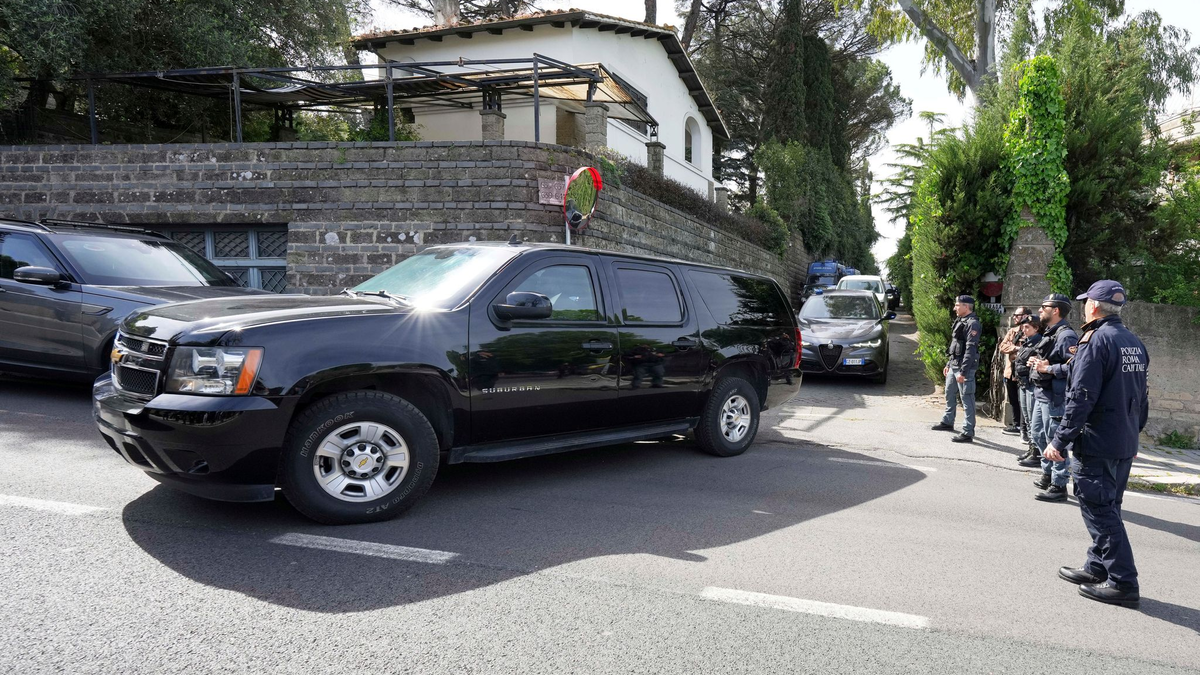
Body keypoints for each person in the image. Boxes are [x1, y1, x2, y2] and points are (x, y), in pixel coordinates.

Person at [1045, 281, 1148, 608]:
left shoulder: (1095, 341)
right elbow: (1143, 398)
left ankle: (1123, 583)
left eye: (1085, 301)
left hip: (1098, 441)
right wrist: (1133, 433)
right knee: (1109, 506)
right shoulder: (1133, 341)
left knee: (1098, 509)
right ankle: (1096, 566)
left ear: (1093, 306)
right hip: (1122, 440)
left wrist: (1060, 440)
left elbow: (1080, 398)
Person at [1028, 293, 1079, 501]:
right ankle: (1048, 473)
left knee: (1054, 440)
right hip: (1042, 394)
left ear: (1055, 310)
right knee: (1038, 434)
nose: (1040, 310)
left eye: (1044, 306)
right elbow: (1048, 360)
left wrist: (1049, 369)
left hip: (1054, 398)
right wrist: (1037, 362)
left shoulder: (1066, 335)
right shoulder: (1052, 332)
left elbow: (1076, 367)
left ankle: (1059, 485)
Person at [932, 295, 981, 443]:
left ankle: (967, 432)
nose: (955, 308)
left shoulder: (973, 324)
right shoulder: (960, 321)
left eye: (957, 305)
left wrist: (964, 372)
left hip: (963, 368)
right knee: (949, 394)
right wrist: (949, 364)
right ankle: (948, 421)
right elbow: (955, 346)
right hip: (954, 365)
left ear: (966, 307)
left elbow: (970, 350)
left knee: (967, 399)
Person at [1013, 315, 1044, 467]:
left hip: (1031, 384)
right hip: (1023, 383)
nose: (1024, 330)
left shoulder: (1039, 342)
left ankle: (1036, 452)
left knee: (1033, 420)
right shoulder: (1026, 342)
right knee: (1026, 417)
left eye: (1027, 327)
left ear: (1036, 328)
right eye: (1023, 327)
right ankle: (1031, 448)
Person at [998, 307, 1032, 436]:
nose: (1014, 318)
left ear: (1026, 316)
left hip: (1023, 372)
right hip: (1010, 371)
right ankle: (1016, 424)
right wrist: (1017, 348)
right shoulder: (1013, 331)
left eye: (1017, 315)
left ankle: (1025, 428)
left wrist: (1018, 351)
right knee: (1013, 399)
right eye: (1014, 315)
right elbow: (1003, 346)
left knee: (1023, 401)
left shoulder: (1032, 330)